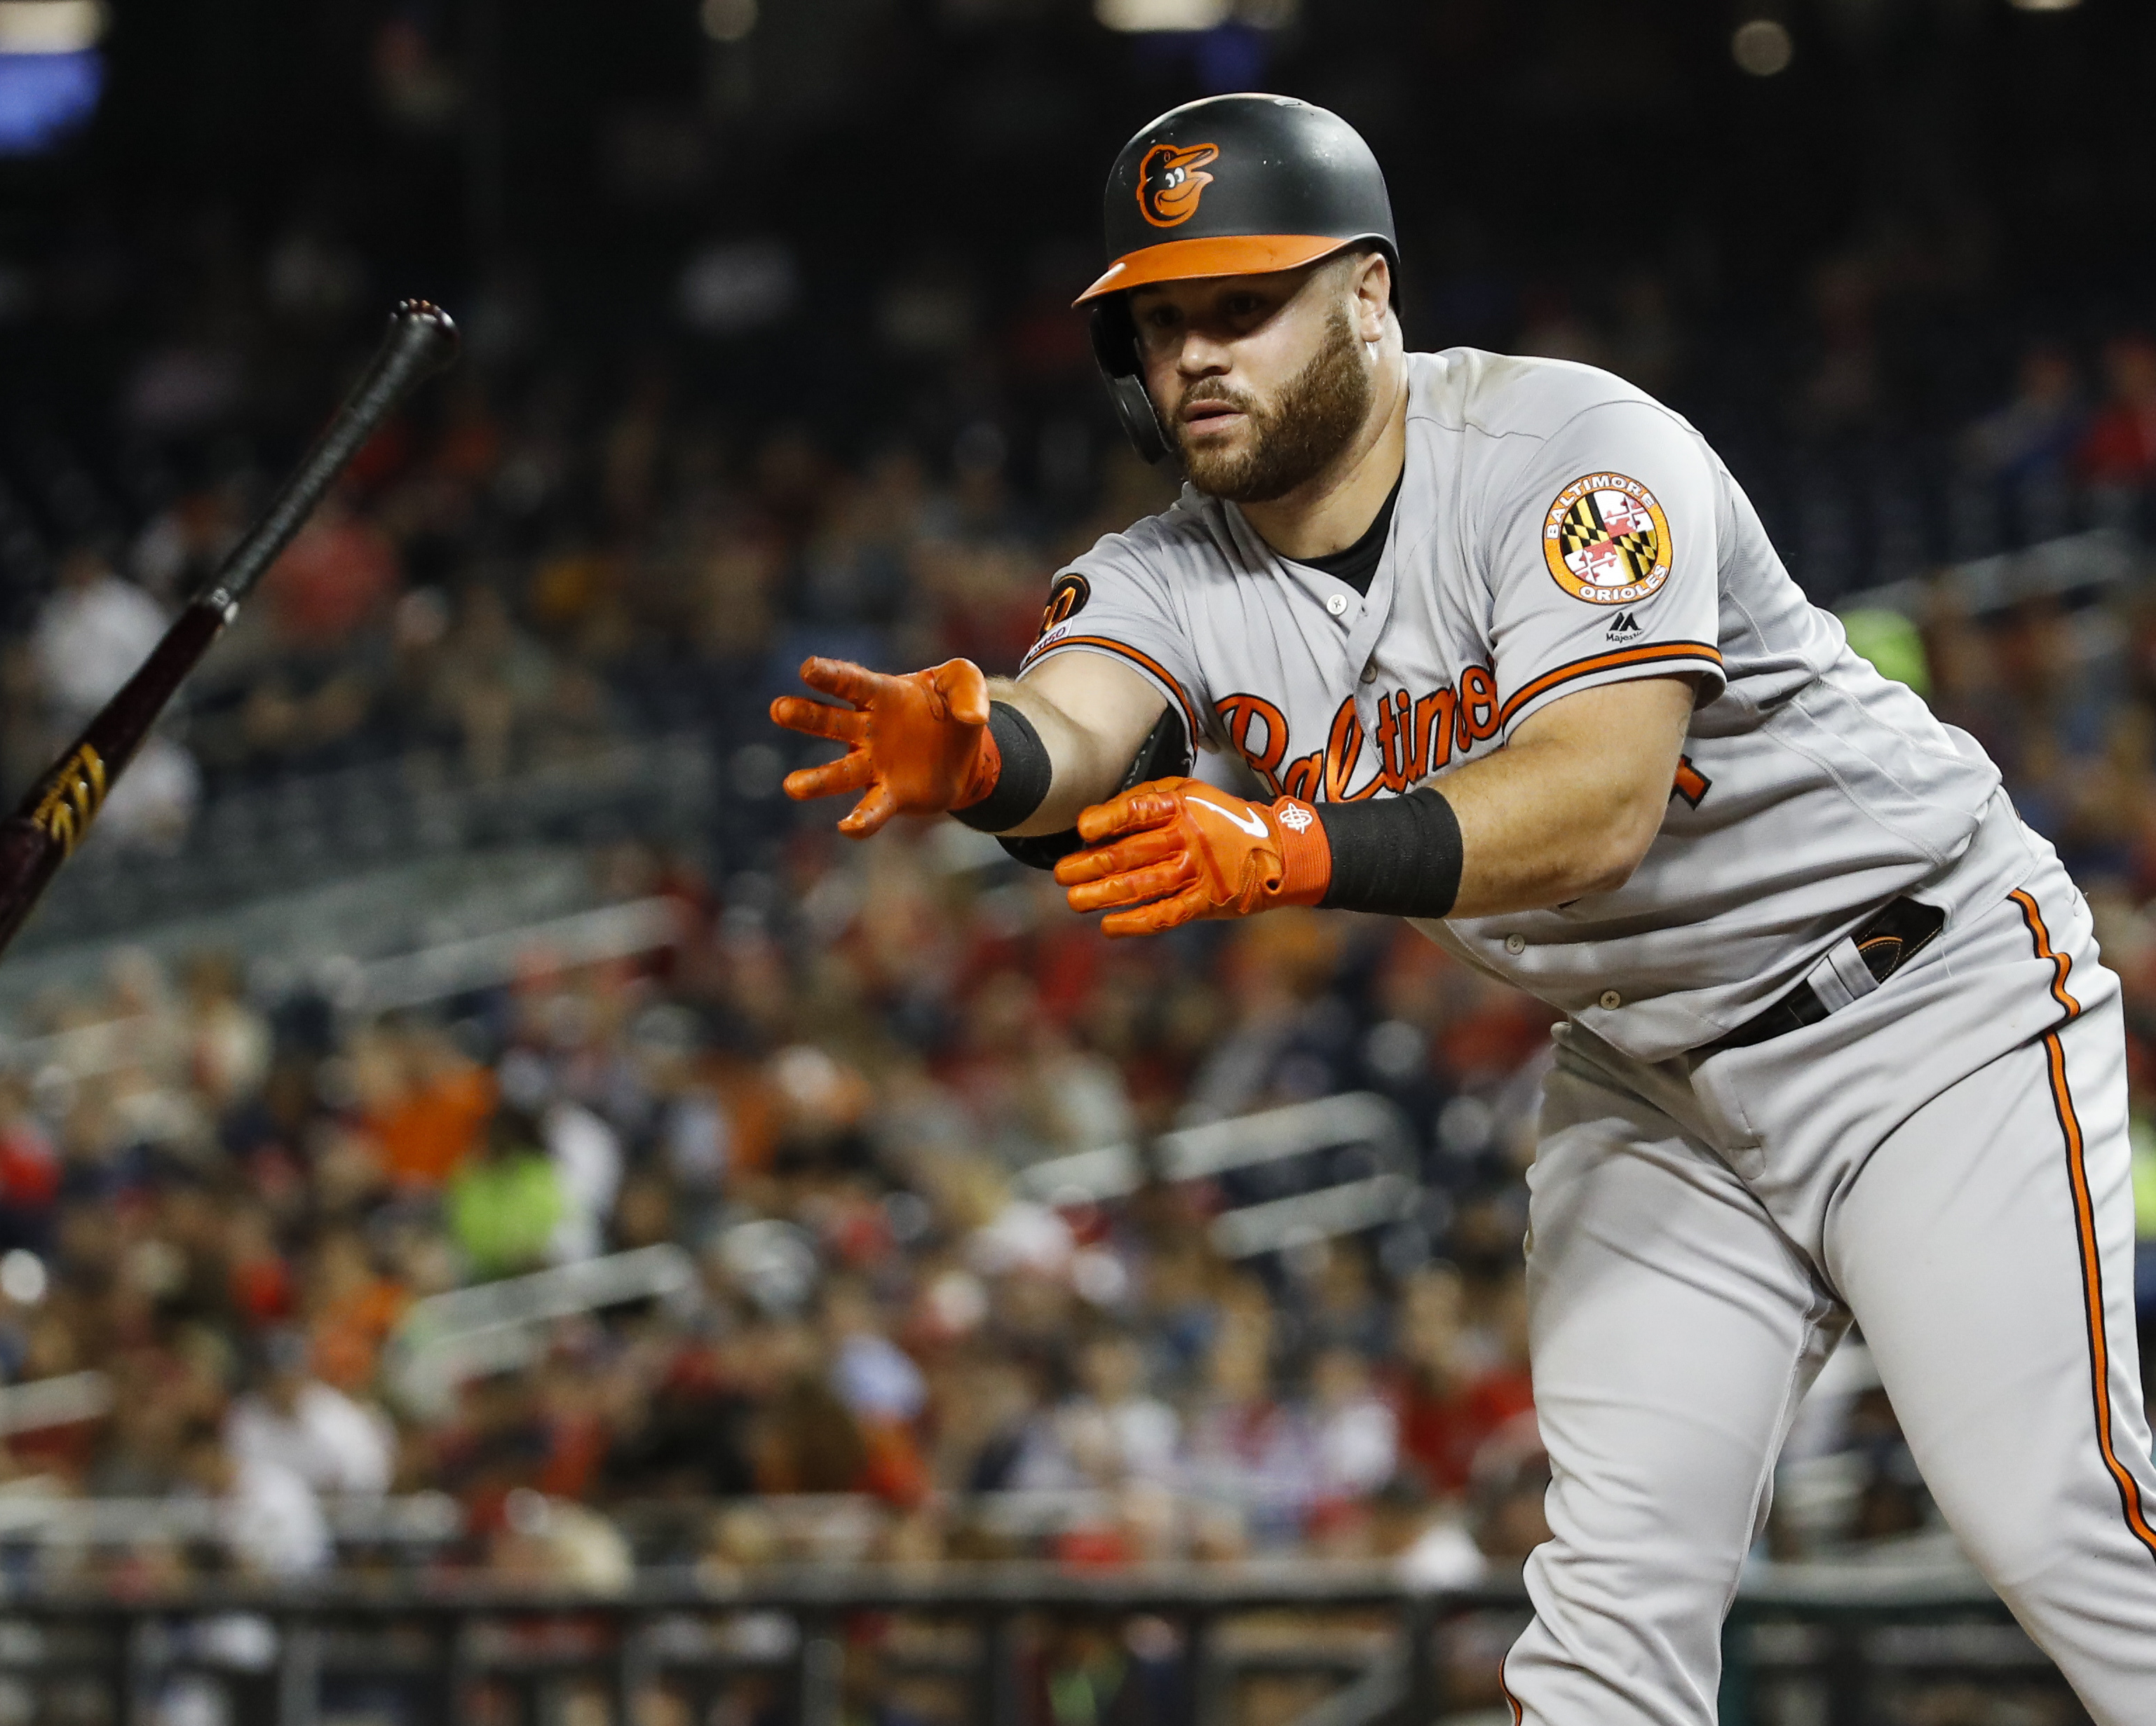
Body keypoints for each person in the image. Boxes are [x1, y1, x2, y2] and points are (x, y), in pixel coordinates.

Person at [772, 93, 2156, 1721]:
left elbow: (1593, 799)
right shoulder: (1168, 568)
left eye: (1242, 305)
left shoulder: (1573, 452)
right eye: (1159, 324)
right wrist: (984, 756)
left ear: (1367, 293)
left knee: (2053, 1516)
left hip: (1920, 1001)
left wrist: (1292, 848)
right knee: (1603, 1621)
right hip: (1651, 1078)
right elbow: (1074, 723)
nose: (1194, 357)